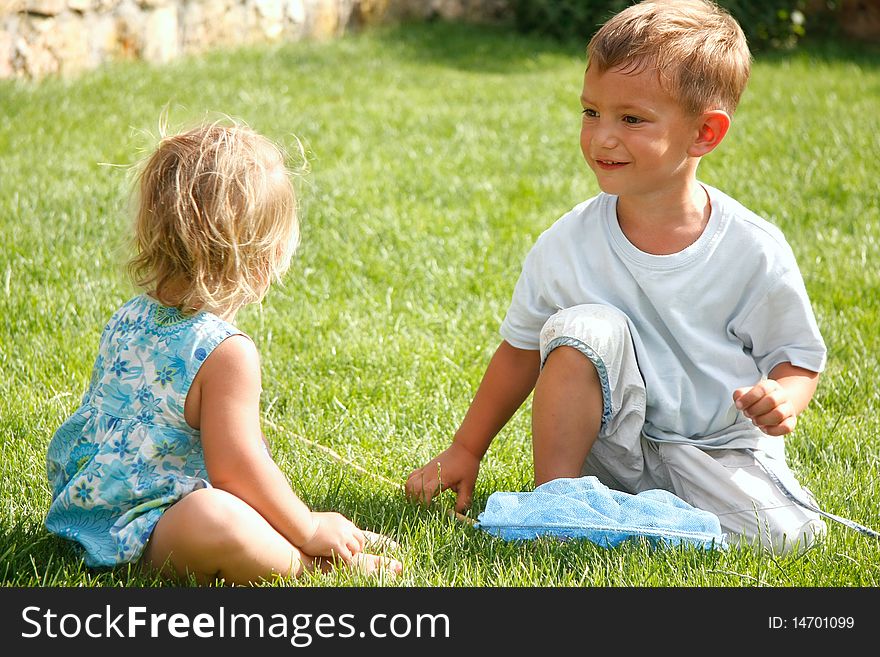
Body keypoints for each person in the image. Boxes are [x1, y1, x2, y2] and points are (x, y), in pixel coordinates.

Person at [406, 0, 828, 554]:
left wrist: (784, 397)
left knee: (785, 538)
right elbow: (520, 351)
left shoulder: (753, 250)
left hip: (715, 450)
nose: (602, 137)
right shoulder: (567, 243)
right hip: (610, 447)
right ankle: (559, 505)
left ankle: (645, 520)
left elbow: (797, 358)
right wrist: (466, 448)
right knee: (583, 327)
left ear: (705, 133)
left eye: (631, 119)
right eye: (591, 112)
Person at [45, 120, 402, 584]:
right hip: (152, 535)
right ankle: (310, 562)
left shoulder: (130, 314)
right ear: (265, 256)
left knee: (228, 506)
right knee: (214, 516)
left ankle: (303, 534)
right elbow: (237, 469)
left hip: (86, 511)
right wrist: (309, 526)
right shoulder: (226, 353)